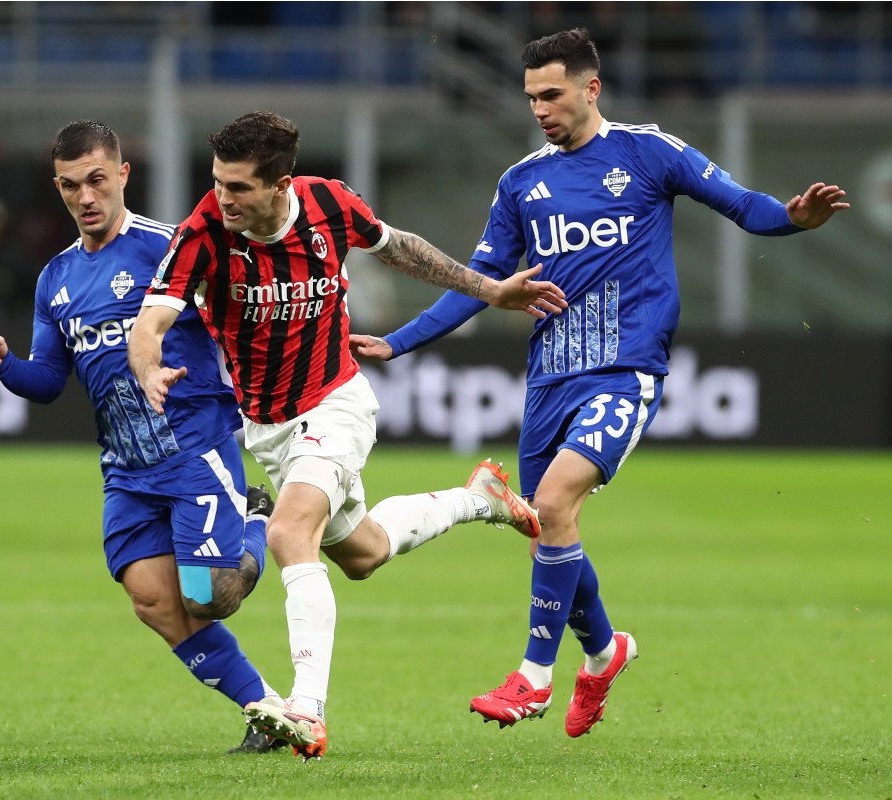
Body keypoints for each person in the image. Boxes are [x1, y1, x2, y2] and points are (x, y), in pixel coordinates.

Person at [350, 28, 850, 738]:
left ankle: (532, 679)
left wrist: (795, 219)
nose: (540, 109)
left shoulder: (649, 152)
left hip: (624, 367)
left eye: (551, 94)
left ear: (592, 88)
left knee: (551, 502)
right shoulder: (522, 181)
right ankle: (604, 650)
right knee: (548, 529)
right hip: (550, 376)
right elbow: (481, 286)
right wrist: (398, 342)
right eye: (530, 98)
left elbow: (745, 205)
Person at [128, 111, 568, 760]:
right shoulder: (203, 235)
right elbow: (150, 321)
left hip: (336, 401)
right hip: (268, 427)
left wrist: (488, 289)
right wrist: (148, 367)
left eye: (240, 188)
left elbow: (400, 248)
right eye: (218, 183)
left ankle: (305, 708)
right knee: (362, 555)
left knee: (285, 532)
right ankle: (481, 498)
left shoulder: (329, 204)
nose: (223, 199)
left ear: (281, 185)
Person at [0, 120, 285, 754]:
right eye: (69, 185)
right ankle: (267, 712)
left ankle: (255, 518)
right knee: (154, 602)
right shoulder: (55, 279)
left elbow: (245, 311)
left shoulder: (173, 249)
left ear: (122, 176)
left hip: (194, 446)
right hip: (127, 469)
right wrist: (6, 367)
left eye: (96, 181)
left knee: (210, 596)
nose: (85, 197)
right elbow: (51, 380)